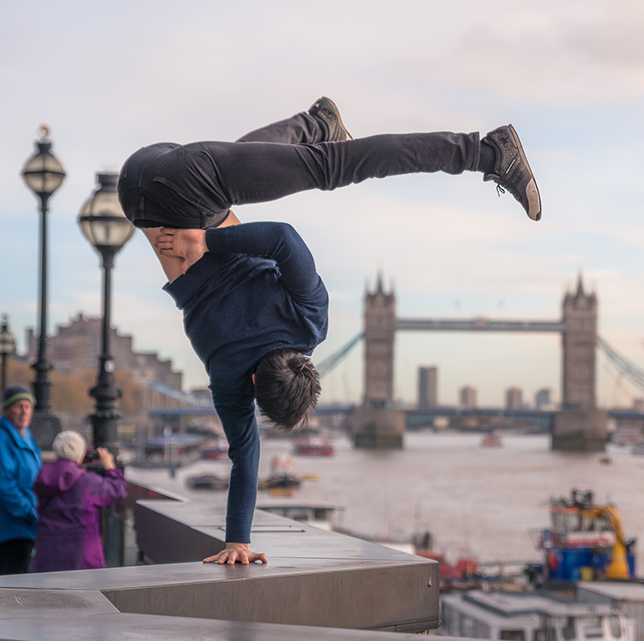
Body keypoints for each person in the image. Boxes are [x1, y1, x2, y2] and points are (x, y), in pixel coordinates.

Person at [118, 97, 541, 565]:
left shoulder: (309, 322)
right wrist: (236, 541)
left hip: (184, 176)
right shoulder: (227, 379)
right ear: (256, 386)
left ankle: (485, 152)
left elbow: (284, 239)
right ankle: (325, 125)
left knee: (332, 167)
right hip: (136, 191)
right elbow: (246, 457)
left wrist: (208, 239)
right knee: (241, 182)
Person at [30, 431, 128, 572]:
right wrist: (110, 467)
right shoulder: (87, 482)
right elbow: (118, 490)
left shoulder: (44, 475)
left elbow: (64, 474)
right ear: (81, 453)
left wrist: (78, 463)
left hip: (47, 554)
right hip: (81, 558)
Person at [0, 384, 42, 575]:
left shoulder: (26, 436)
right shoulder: (0, 439)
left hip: (25, 527)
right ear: (6, 409)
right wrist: (29, 513)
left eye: (28, 406)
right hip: (11, 529)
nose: (24, 411)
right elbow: (2, 486)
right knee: (15, 589)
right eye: (19, 406)